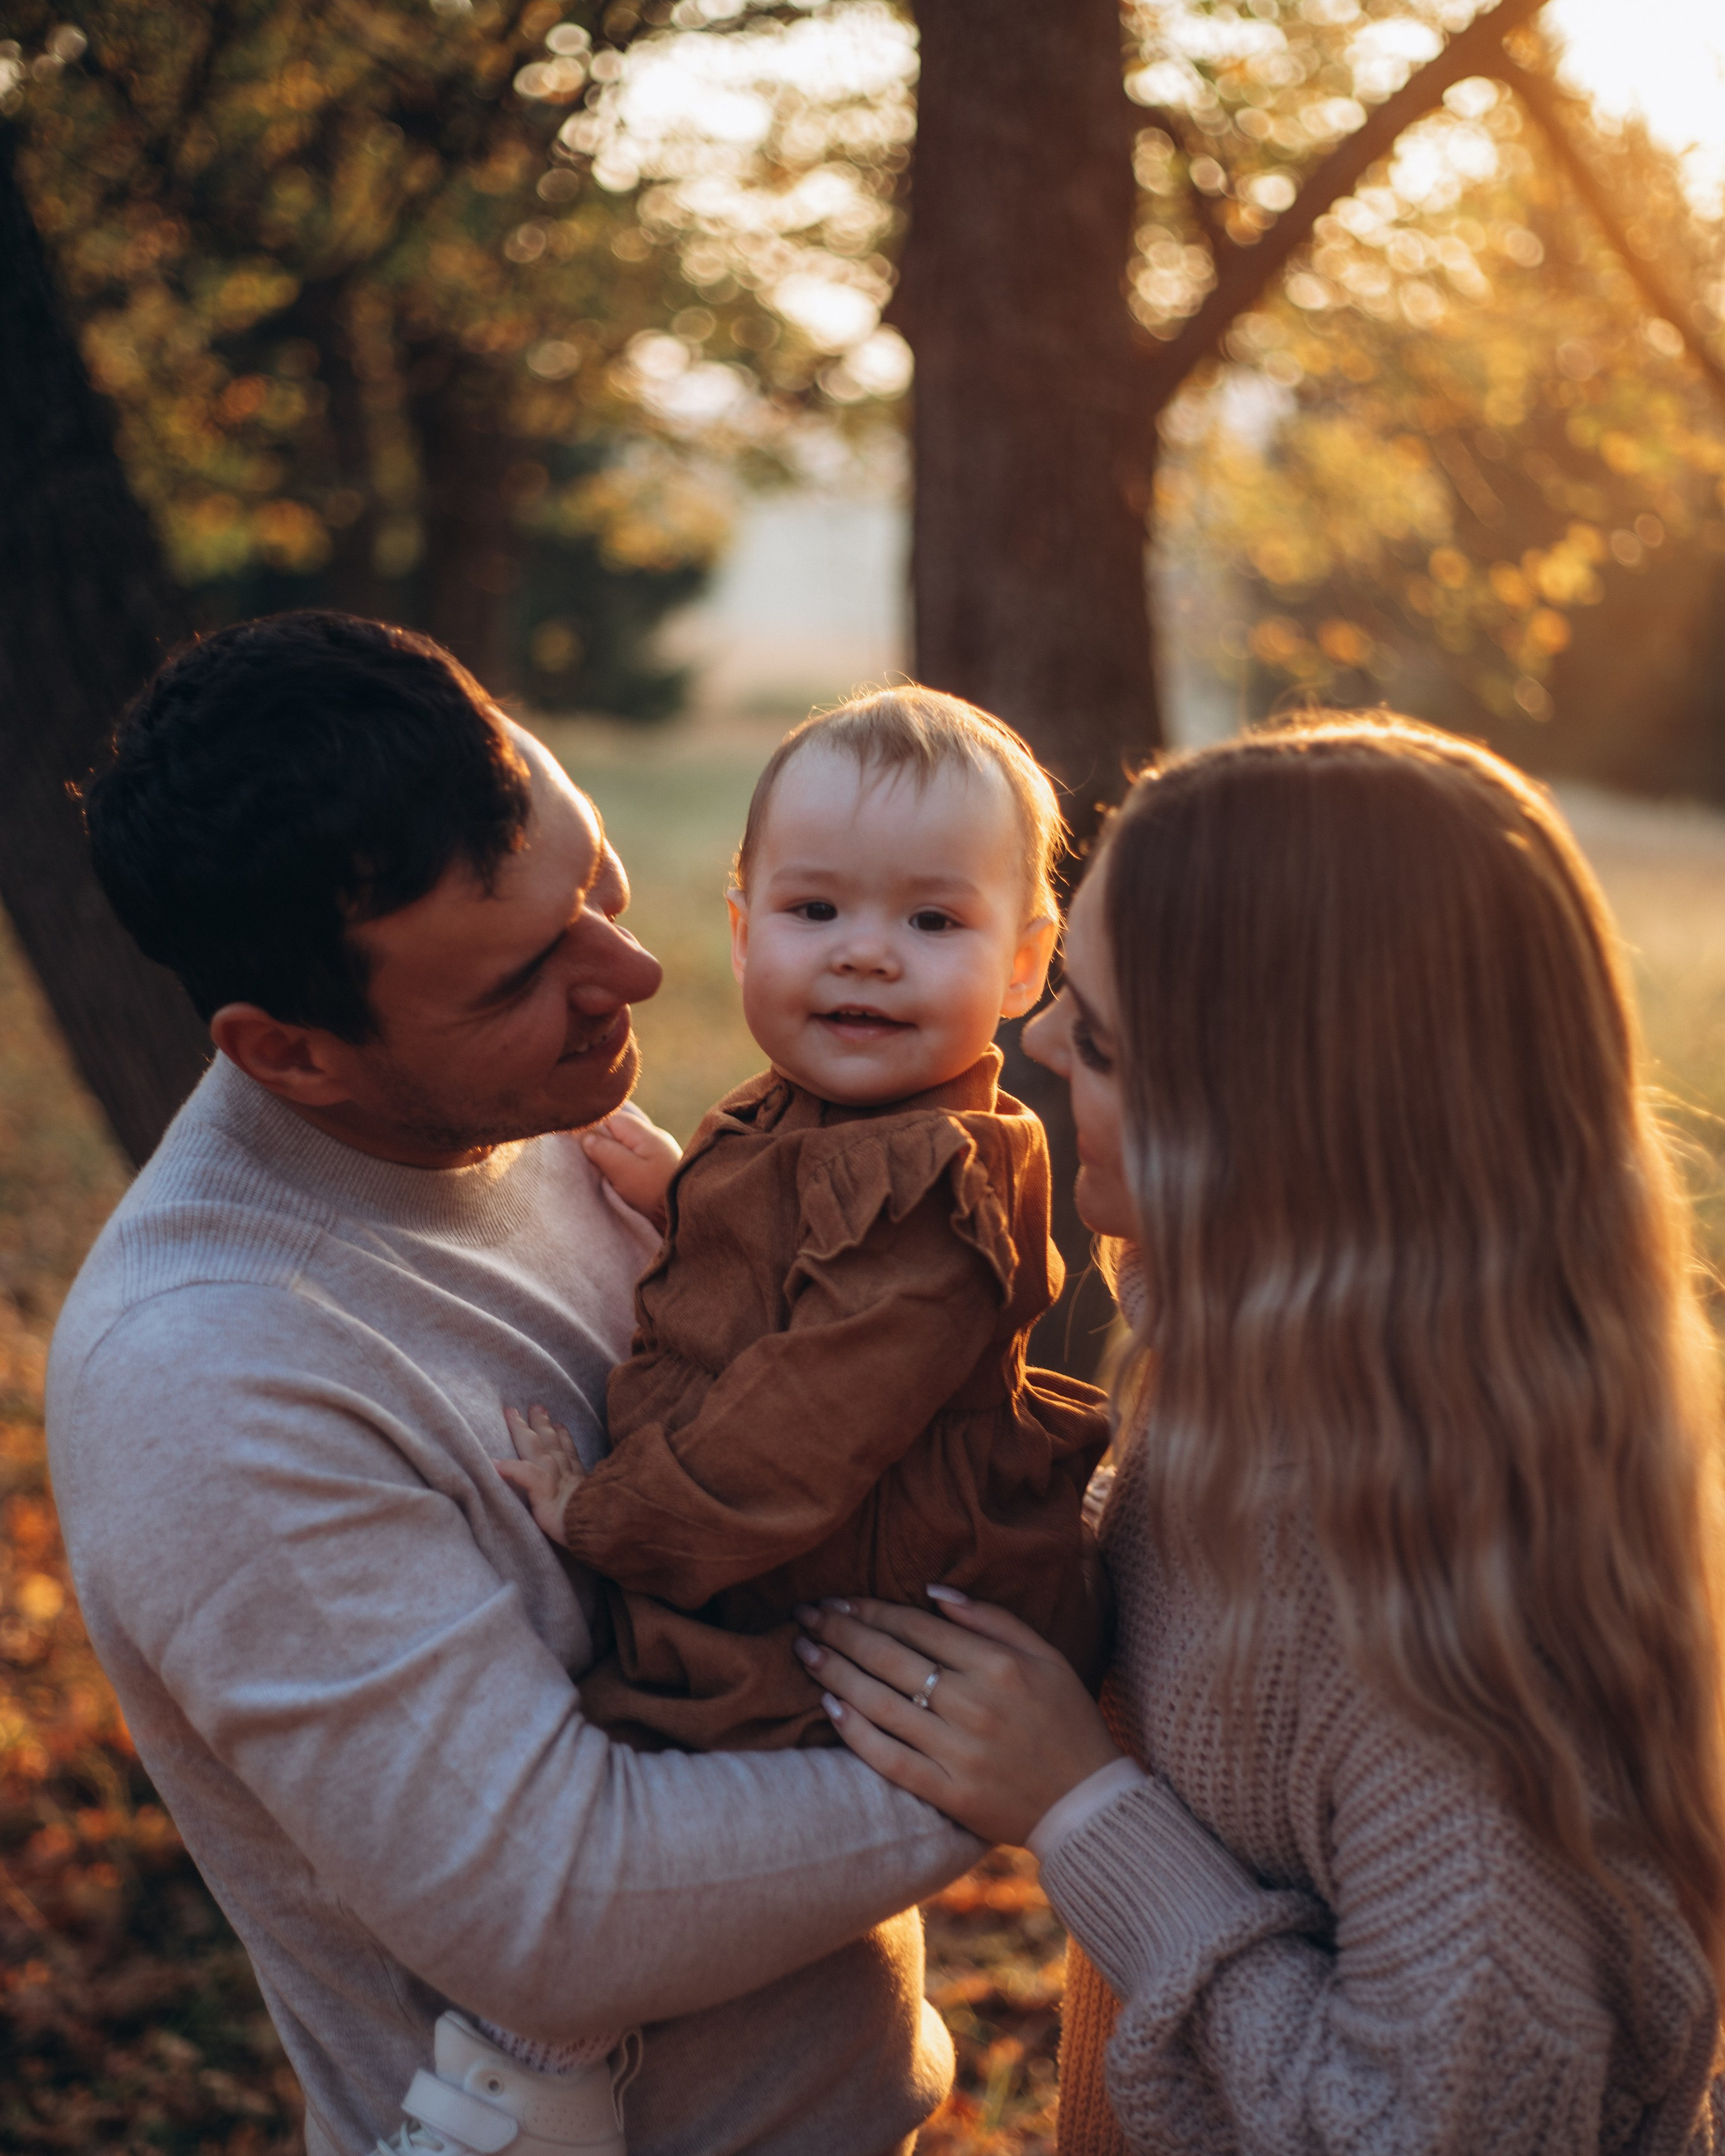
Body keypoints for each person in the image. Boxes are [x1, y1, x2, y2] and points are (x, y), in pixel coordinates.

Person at [46, 613, 978, 2156]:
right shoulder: (209, 1377)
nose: (636, 965)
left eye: (595, 881)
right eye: (523, 971)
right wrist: (1038, 1742)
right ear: (289, 1052)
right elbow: (562, 1912)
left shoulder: (538, 1117)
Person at [796, 717, 1725, 2152]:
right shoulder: (1255, 1368)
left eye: (1096, 1038)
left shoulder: (1447, 1637)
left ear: (1261, 1127)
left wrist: (1079, 1807)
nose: (1036, 1041)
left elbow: (1427, 2130)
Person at [499, 688, 1110, 1754]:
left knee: (635, 1738)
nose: (864, 954)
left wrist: (607, 1518)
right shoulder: (806, 1105)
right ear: (743, 934)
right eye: (814, 911)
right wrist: (686, 1194)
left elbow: (809, 1415)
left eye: (933, 920)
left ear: (1022, 963)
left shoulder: (932, 1181)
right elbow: (796, 1243)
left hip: (858, 1601)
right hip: (764, 1548)